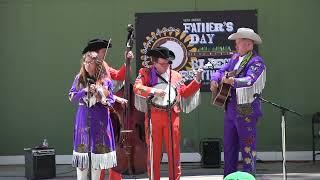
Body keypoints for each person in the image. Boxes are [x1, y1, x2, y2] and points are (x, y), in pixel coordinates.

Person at [133, 47, 202, 180]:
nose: (166, 66)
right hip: (154, 117)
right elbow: (137, 88)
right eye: (162, 64)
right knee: (154, 153)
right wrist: (153, 91)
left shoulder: (176, 75)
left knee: (174, 152)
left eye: (168, 63)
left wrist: (197, 80)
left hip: (172, 116)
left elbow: (185, 92)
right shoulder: (145, 73)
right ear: (154, 63)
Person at [210, 27, 266, 177]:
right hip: (230, 107)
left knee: (247, 146)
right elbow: (221, 70)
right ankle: (229, 176)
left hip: (246, 107)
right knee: (229, 146)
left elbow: (250, 80)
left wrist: (233, 81)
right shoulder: (234, 58)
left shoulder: (256, 61)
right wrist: (215, 79)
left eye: (238, 42)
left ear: (249, 44)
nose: (235, 45)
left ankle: (249, 176)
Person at [82, 38, 132, 180]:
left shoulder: (104, 64)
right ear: (95, 53)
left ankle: (114, 177)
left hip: (108, 113)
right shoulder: (89, 70)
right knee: (101, 150)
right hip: (96, 115)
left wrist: (126, 62)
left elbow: (119, 76)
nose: (105, 54)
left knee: (112, 148)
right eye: (103, 51)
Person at [68, 51, 117, 180]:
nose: (87, 65)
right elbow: (71, 96)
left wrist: (100, 94)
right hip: (83, 120)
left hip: (100, 121)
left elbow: (110, 100)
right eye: (86, 62)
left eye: (91, 62)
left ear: (97, 64)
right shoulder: (79, 79)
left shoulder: (105, 81)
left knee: (97, 158)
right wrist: (84, 90)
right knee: (82, 156)